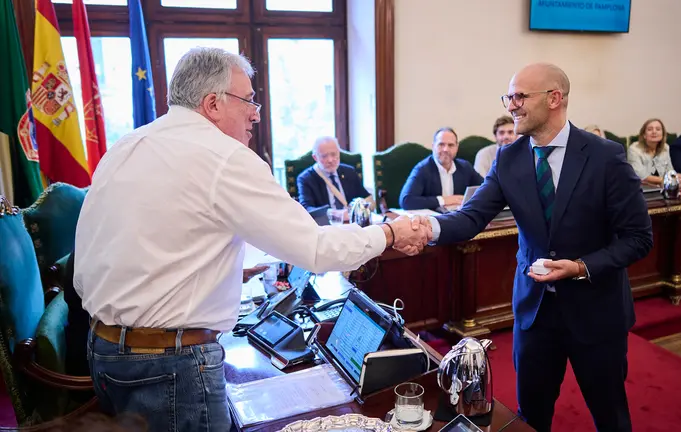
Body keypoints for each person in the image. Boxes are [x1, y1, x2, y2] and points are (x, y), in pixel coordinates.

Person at [74, 47, 430, 432]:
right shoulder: (223, 156)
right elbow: (316, 249)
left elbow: (144, 242)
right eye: (249, 100)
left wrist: (228, 270)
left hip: (103, 349)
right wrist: (390, 232)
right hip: (169, 365)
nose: (256, 114)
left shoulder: (129, 143)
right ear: (212, 103)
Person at [425, 63, 652, 432]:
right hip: (535, 313)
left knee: (610, 416)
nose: (511, 105)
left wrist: (579, 267)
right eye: (508, 96)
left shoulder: (605, 157)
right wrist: (424, 227)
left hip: (596, 312)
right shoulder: (508, 158)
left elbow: (639, 238)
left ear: (554, 98)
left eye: (520, 96)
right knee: (529, 418)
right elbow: (471, 217)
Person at [399, 127, 484, 211]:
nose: (446, 149)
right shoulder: (422, 169)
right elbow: (406, 200)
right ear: (433, 146)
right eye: (441, 144)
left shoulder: (465, 167)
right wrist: (445, 200)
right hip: (433, 220)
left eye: (450, 145)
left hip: (459, 218)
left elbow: (485, 188)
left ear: (457, 147)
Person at [297, 136, 371, 214]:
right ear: (315, 157)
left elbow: (365, 198)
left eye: (334, 154)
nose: (330, 160)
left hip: (352, 223)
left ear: (339, 153)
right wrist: (335, 214)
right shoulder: (306, 179)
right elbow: (306, 209)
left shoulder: (349, 172)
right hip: (325, 224)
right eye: (324, 156)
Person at [627, 118, 681, 186]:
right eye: (650, 129)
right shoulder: (634, 149)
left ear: (663, 134)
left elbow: (669, 170)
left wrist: (680, 176)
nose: (654, 132)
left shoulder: (665, 148)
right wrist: (666, 180)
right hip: (642, 189)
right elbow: (640, 175)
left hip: (661, 187)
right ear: (644, 135)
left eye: (658, 129)